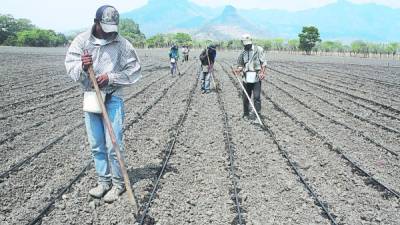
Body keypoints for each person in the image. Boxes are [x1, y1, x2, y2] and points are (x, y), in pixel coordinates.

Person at [65, 5, 141, 203]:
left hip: (112, 97)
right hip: (91, 97)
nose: (110, 33)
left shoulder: (122, 44)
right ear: (96, 23)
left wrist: (111, 77)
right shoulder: (82, 41)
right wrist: (82, 65)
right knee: (97, 144)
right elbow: (70, 67)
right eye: (105, 27)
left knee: (114, 143)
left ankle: (118, 185)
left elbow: (134, 70)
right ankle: (103, 182)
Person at [235, 34, 267, 119]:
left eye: (248, 44)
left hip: (256, 77)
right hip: (246, 77)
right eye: (245, 44)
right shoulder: (242, 52)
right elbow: (240, 64)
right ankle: (246, 113)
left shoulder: (258, 50)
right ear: (242, 43)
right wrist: (238, 70)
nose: (247, 46)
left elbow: (263, 63)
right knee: (246, 97)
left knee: (256, 97)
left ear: (251, 42)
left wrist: (262, 73)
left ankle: (257, 114)